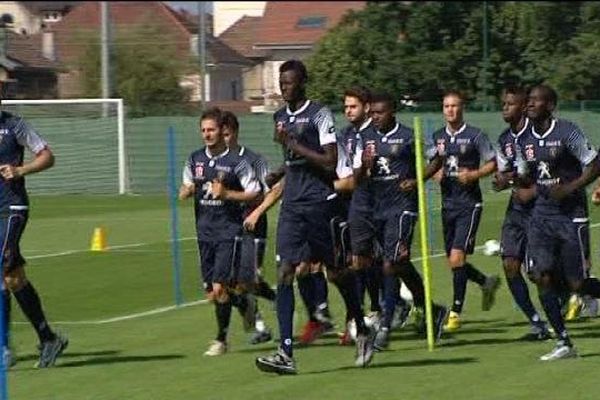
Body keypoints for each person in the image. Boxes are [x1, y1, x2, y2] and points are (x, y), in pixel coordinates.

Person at [255, 60, 374, 375]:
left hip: (321, 203)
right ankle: (286, 352)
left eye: (290, 83)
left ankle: (361, 328)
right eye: (282, 83)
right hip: (292, 205)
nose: (285, 88)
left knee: (336, 272)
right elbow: (294, 161)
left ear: (303, 82)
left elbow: (330, 161)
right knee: (284, 271)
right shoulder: (280, 116)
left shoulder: (319, 114)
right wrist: (278, 172)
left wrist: (292, 144)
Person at [352, 91, 448, 350]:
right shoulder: (365, 137)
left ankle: (385, 327)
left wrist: (417, 179)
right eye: (372, 113)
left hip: (403, 207)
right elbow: (357, 177)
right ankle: (432, 310)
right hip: (377, 208)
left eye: (379, 113)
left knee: (390, 264)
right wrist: (364, 166)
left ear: (391, 112)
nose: (374, 118)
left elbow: (438, 158)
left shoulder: (407, 136)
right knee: (399, 264)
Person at [516, 85, 600, 360]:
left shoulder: (567, 131)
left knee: (576, 284)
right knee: (541, 276)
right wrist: (514, 183)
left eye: (535, 101)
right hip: (542, 216)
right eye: (527, 101)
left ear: (550, 105)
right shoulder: (524, 139)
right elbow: (527, 177)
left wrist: (571, 186)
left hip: (571, 215)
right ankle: (563, 341)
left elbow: (594, 163)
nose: (528, 104)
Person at [180, 107, 261, 356]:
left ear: (221, 131)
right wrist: (186, 190)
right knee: (213, 294)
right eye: (203, 130)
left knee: (219, 287)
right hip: (204, 232)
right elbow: (186, 184)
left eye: (211, 130)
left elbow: (255, 192)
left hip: (229, 232)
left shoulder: (237, 162)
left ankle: (220, 340)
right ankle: (245, 303)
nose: (207, 134)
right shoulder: (195, 159)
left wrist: (227, 195)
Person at [424, 90, 501, 332]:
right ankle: (486, 282)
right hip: (448, 204)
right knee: (453, 262)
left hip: (470, 204)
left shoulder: (476, 135)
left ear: (462, 108)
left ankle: (455, 312)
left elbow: (493, 162)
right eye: (446, 106)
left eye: (454, 106)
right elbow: (431, 163)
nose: (450, 110)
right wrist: (435, 173)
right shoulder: (436, 137)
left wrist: (475, 175)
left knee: (457, 258)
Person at [0, 99, 68, 368]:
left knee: (1, 269)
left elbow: (47, 156)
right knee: (14, 278)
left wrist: (20, 170)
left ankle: (3, 348)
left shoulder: (15, 125)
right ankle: (49, 339)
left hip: (12, 207)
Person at [493, 87, 551, 340]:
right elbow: (506, 173)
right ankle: (537, 323)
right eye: (503, 104)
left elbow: (544, 174)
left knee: (538, 273)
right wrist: (501, 180)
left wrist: (526, 184)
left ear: (523, 106)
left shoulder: (537, 134)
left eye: (510, 104)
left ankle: (579, 292)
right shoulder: (505, 139)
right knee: (510, 265)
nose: (505, 108)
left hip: (541, 208)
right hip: (516, 209)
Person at [221, 111, 275, 345]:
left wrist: (257, 211)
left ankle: (275, 299)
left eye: (226, 134)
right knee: (227, 283)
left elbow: (269, 191)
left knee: (248, 279)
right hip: (226, 225)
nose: (223, 140)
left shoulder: (255, 160)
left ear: (235, 133)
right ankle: (260, 326)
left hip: (251, 223)